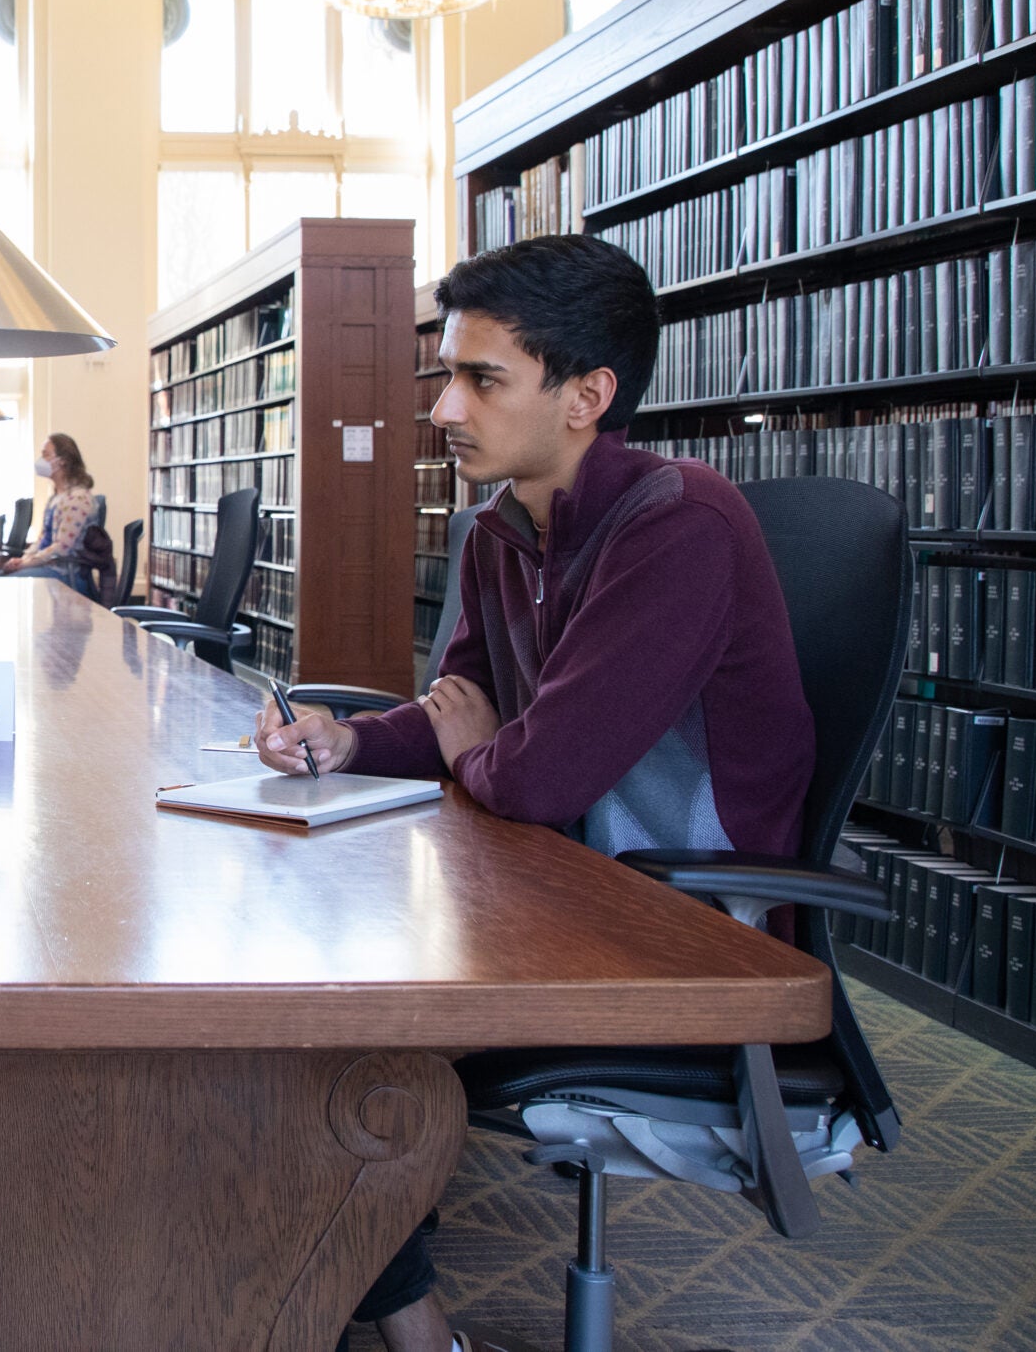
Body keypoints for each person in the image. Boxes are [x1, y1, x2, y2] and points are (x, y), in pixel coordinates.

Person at [254, 232, 814, 1352]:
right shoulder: (497, 531)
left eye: (481, 379)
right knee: (275, 1010)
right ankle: (393, 1321)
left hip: (678, 934)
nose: (444, 411)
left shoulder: (678, 528)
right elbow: (463, 713)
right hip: (551, 893)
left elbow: (533, 768)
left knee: (299, 1043)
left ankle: (407, 1331)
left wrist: (478, 748)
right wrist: (347, 743)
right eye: (446, 377)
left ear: (586, 396)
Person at [1, 432, 100, 597]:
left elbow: (61, 548)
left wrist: (26, 564)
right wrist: (24, 559)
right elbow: (43, 539)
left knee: (12, 588)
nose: (41, 460)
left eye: (46, 455)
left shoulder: (78, 499)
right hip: (50, 570)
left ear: (63, 461)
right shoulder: (56, 498)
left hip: (66, 575)